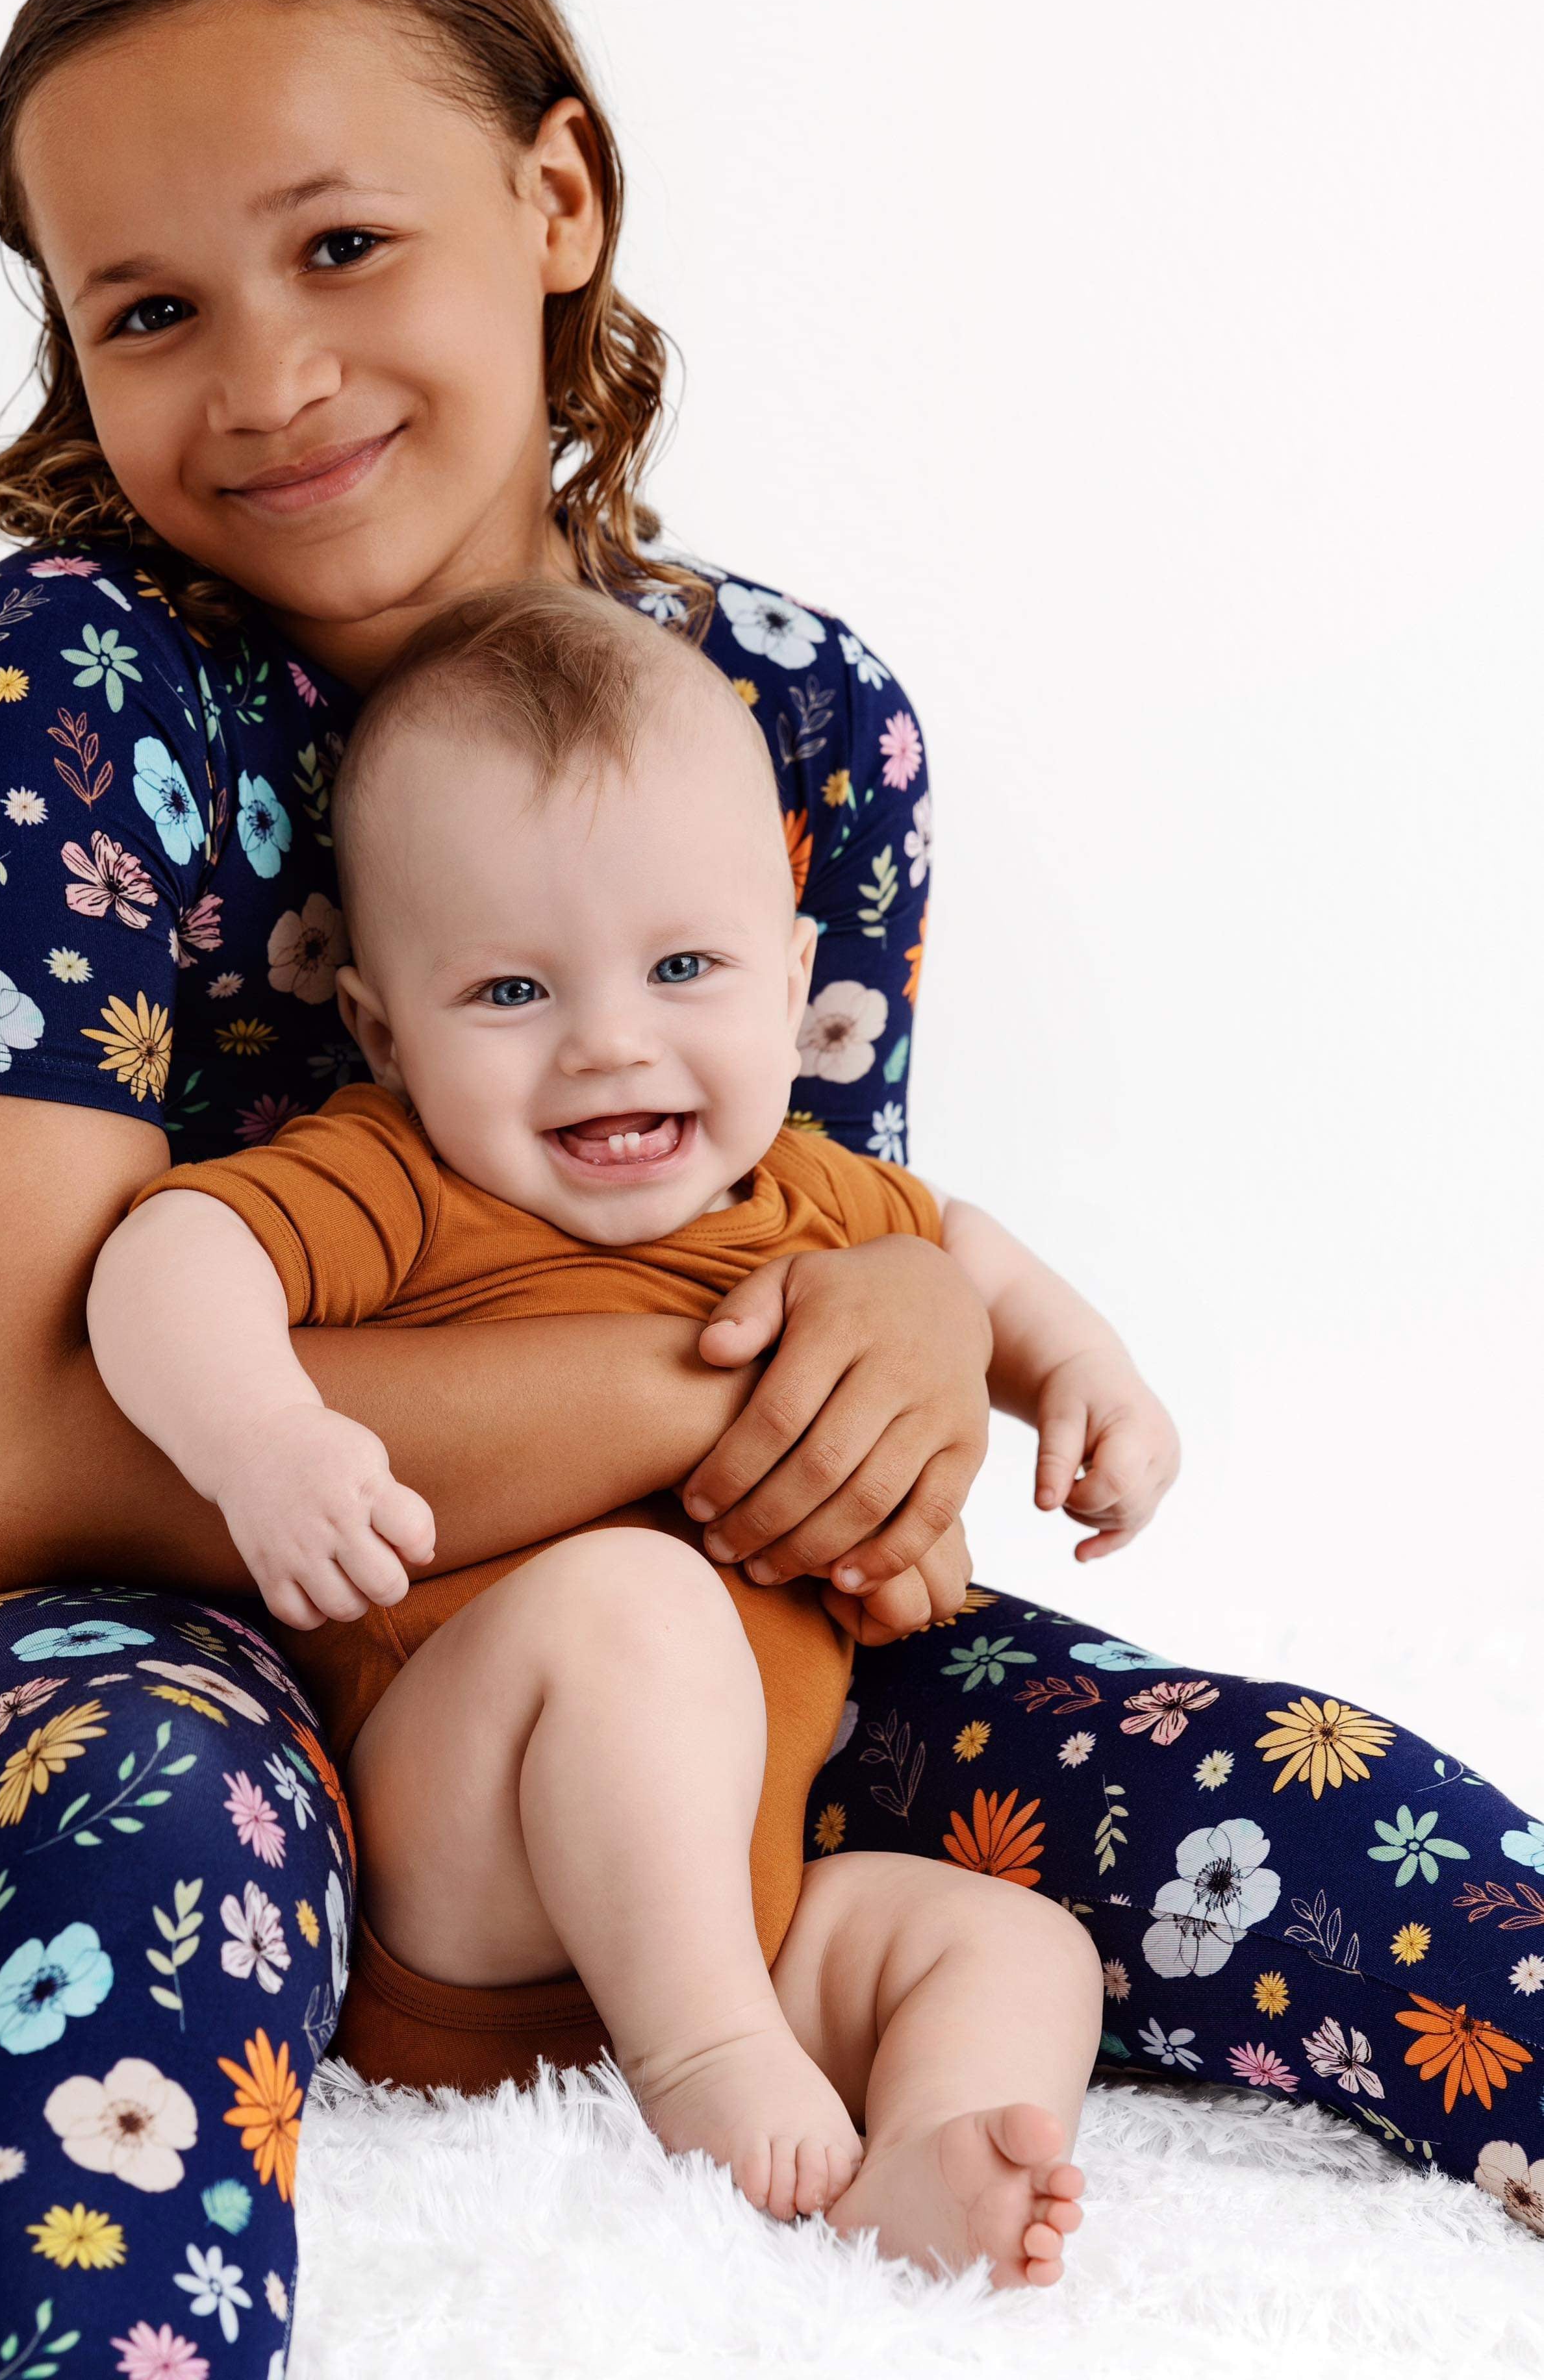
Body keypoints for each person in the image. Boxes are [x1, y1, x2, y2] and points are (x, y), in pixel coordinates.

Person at [0, 0, 1541, 2379]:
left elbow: (788, 1257)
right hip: (69, 1626)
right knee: (165, 1833)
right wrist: (789, 1352)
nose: (266, 373)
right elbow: (15, 1465)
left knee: (1292, 1797)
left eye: (343, 243)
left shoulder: (796, 720)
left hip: (664, 1650)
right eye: (146, 308)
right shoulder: (45, 709)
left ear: (556, 191)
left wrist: (914, 1332)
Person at [92, 581, 1123, 2285]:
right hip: (464, 1882)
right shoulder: (401, 1177)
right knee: (631, 1597)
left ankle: (926, 2156)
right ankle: (711, 2064)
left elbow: (970, 1261)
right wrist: (260, 1436)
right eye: (508, 989)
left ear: (794, 987)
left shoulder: (810, 1200)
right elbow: (165, 1255)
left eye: (684, 967)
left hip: (732, 1910)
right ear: (380, 1028)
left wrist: (1081, 1378)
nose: (609, 1040)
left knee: (1009, 1944)